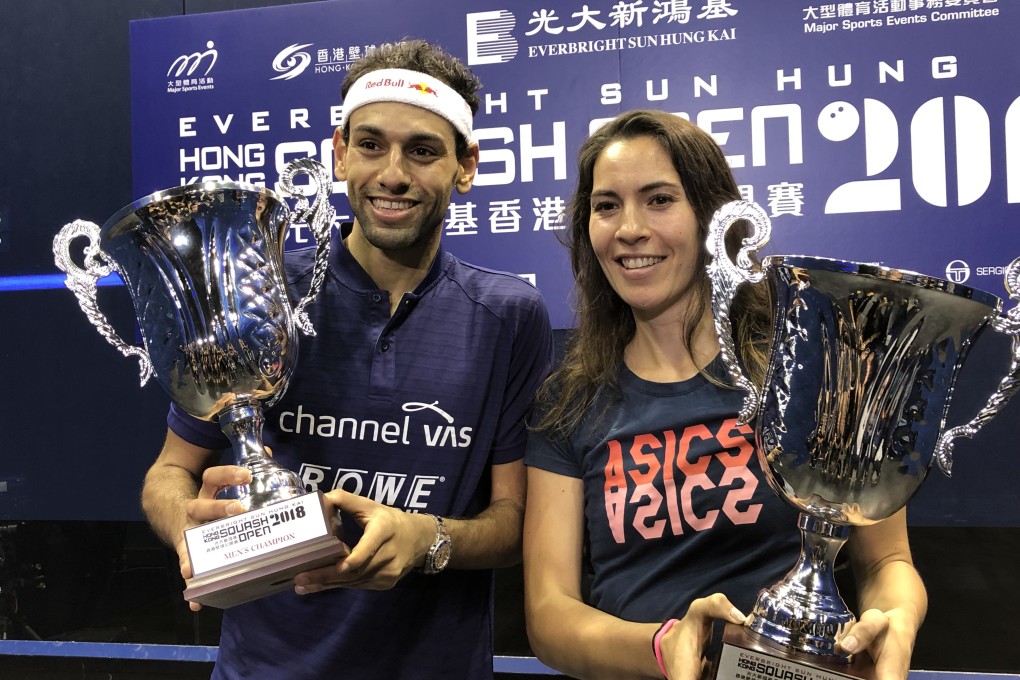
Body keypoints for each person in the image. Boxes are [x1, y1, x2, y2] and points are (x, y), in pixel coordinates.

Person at [141, 40, 553, 680]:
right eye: (370, 145)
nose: (393, 173)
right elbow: (169, 473)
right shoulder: (263, 294)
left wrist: (429, 542)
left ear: (465, 166)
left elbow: (511, 522)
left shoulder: (511, 315)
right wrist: (189, 529)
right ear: (339, 152)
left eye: (422, 150)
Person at [522, 109, 927, 680]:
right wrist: (667, 646)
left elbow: (887, 559)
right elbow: (548, 615)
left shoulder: (812, 370)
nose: (629, 228)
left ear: (714, 215)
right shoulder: (567, 402)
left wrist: (897, 621)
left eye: (659, 199)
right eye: (606, 205)